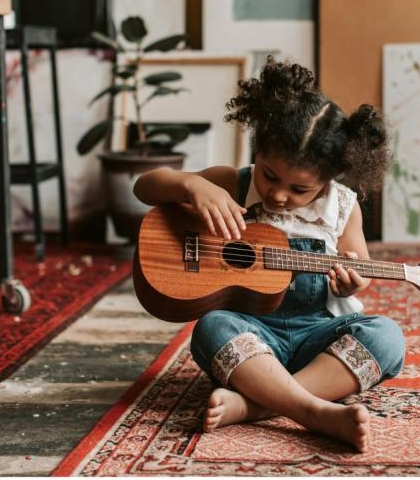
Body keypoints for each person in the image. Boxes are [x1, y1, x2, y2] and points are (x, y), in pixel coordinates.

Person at [133, 57, 405, 452]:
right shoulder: (234, 184)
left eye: (300, 190)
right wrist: (192, 186)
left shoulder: (343, 208)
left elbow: (356, 266)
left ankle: (254, 406)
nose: (279, 195)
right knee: (211, 327)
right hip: (253, 336)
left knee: (387, 337)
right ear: (258, 150)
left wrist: (351, 283)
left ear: (328, 180)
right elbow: (145, 187)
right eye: (270, 175)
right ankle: (314, 411)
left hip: (318, 337)